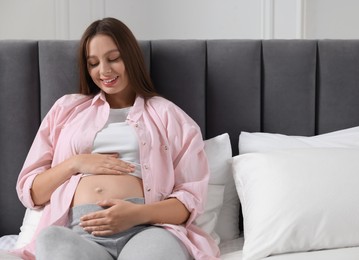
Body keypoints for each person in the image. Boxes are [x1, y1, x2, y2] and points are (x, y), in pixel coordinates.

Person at [14, 17, 220, 260]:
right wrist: (76, 163)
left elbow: (189, 202)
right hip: (81, 234)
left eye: (113, 59)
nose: (104, 71)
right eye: (93, 63)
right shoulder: (66, 110)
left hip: (147, 231)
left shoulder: (168, 115)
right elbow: (32, 192)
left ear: (131, 57)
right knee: (50, 240)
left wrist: (137, 214)